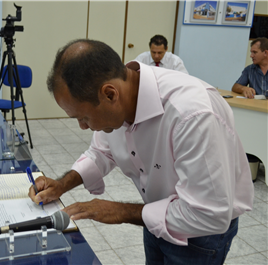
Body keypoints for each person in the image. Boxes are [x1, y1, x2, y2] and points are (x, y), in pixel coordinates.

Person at [29, 39, 254, 264]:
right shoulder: (120, 94)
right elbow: (101, 152)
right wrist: (62, 185)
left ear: (110, 94)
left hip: (198, 235)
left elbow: (208, 214)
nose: (82, 126)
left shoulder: (192, 114)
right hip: (155, 217)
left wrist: (120, 211)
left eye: (83, 117)